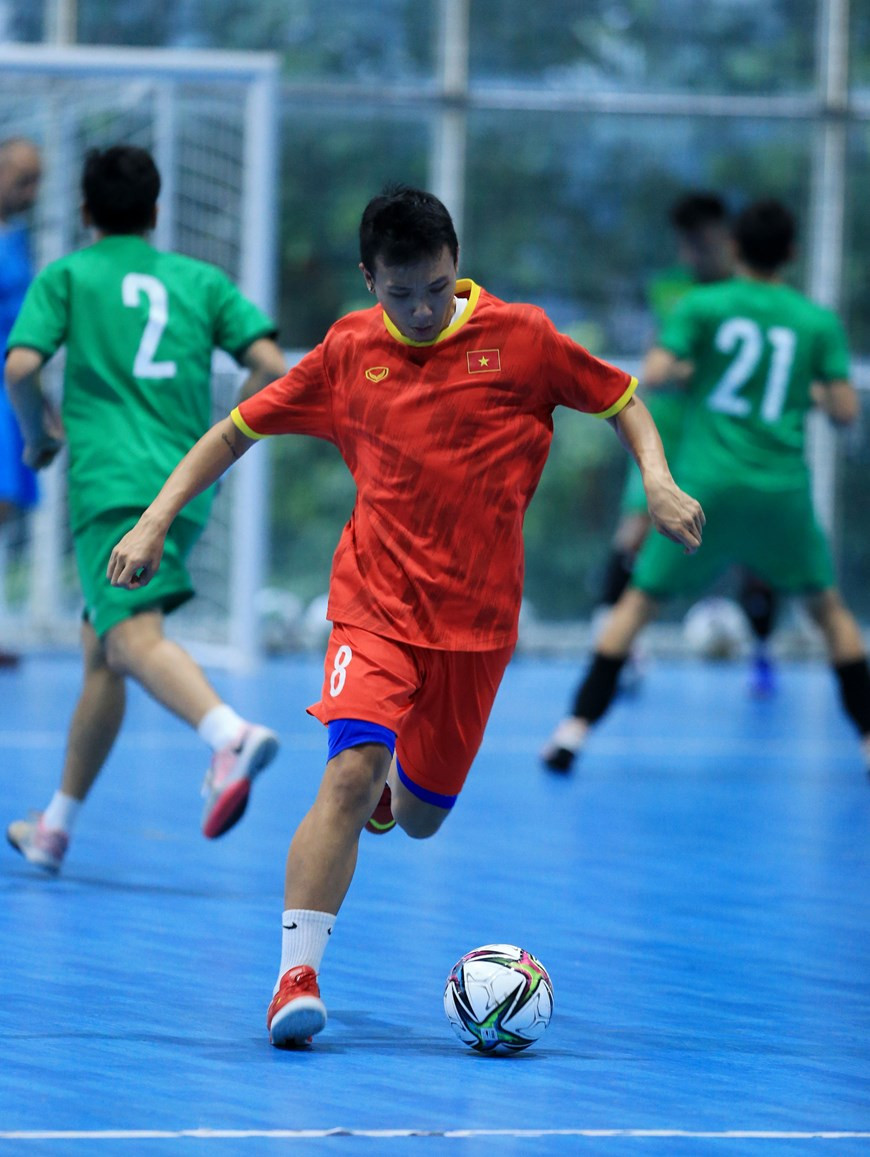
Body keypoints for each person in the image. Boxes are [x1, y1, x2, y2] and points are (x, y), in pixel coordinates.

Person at [106, 184, 704, 1047]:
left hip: (478, 627)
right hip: (374, 607)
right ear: (368, 279)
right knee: (348, 773)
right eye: (400, 293)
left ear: (456, 265)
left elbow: (622, 400)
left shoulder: (524, 338)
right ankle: (295, 977)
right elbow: (235, 430)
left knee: (418, 817)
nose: (421, 309)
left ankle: (394, 791)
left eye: (435, 287)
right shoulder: (348, 351)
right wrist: (155, 518)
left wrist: (658, 478)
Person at [4, 145, 287, 873]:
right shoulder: (200, 280)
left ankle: (228, 735)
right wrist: (226, 430)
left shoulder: (69, 275)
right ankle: (54, 827)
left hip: (112, 487)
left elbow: (22, 365)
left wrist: (39, 436)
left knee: (129, 637)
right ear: (157, 210)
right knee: (103, 651)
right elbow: (270, 365)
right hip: (186, 485)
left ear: (85, 211)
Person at [541, 199, 870, 776]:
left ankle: (573, 731)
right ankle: (867, 739)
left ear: (735, 247)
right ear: (791, 254)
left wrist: (702, 372)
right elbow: (845, 411)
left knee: (636, 607)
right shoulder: (815, 322)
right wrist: (800, 389)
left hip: (707, 489)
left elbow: (657, 374)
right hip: (780, 494)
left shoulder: (704, 306)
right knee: (830, 614)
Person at [598, 191, 779, 699]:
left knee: (755, 546)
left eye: (704, 242)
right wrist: (695, 369)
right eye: (688, 244)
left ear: (729, 240)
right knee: (633, 532)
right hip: (671, 431)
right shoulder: (670, 291)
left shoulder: (752, 293)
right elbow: (660, 366)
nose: (694, 253)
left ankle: (763, 655)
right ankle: (608, 644)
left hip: (729, 438)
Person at [0, 137, 43, 667]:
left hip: (11, 386)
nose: (31, 192)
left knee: (6, 506)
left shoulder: (19, 237)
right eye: (23, 179)